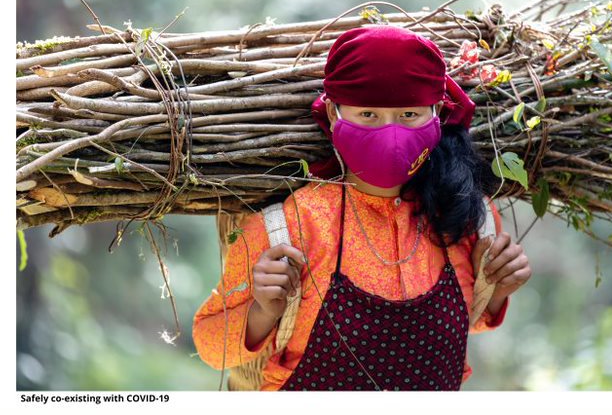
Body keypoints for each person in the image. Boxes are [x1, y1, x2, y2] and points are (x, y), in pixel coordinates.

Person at [192, 25, 532, 391]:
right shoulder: (291, 226)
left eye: (409, 115)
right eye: (368, 114)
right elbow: (213, 349)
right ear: (335, 115)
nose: (391, 133)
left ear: (437, 115)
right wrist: (261, 312)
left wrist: (497, 289)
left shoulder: (465, 215)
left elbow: (464, 327)